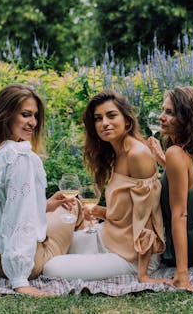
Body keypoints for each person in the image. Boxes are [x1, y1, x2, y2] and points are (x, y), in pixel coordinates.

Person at [0, 83, 81, 297]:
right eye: (26, 115)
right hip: (16, 267)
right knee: (73, 208)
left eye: (35, 116)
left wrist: (46, 205)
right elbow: (19, 219)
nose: (33, 123)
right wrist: (20, 280)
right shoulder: (22, 157)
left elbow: (2, 208)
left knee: (56, 208)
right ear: (6, 115)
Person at [43, 90, 166, 283]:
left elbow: (147, 217)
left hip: (132, 254)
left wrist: (143, 274)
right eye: (98, 118)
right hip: (108, 236)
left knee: (51, 267)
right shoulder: (117, 151)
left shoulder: (137, 154)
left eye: (111, 115)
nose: (104, 123)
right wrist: (98, 211)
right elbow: (124, 213)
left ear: (127, 119)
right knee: (49, 246)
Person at [148, 86, 193, 292]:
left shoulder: (175, 153)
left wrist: (182, 274)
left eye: (169, 112)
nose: (161, 117)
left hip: (186, 249)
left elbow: (180, 214)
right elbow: (187, 181)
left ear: (187, 117)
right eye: (163, 110)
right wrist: (161, 159)